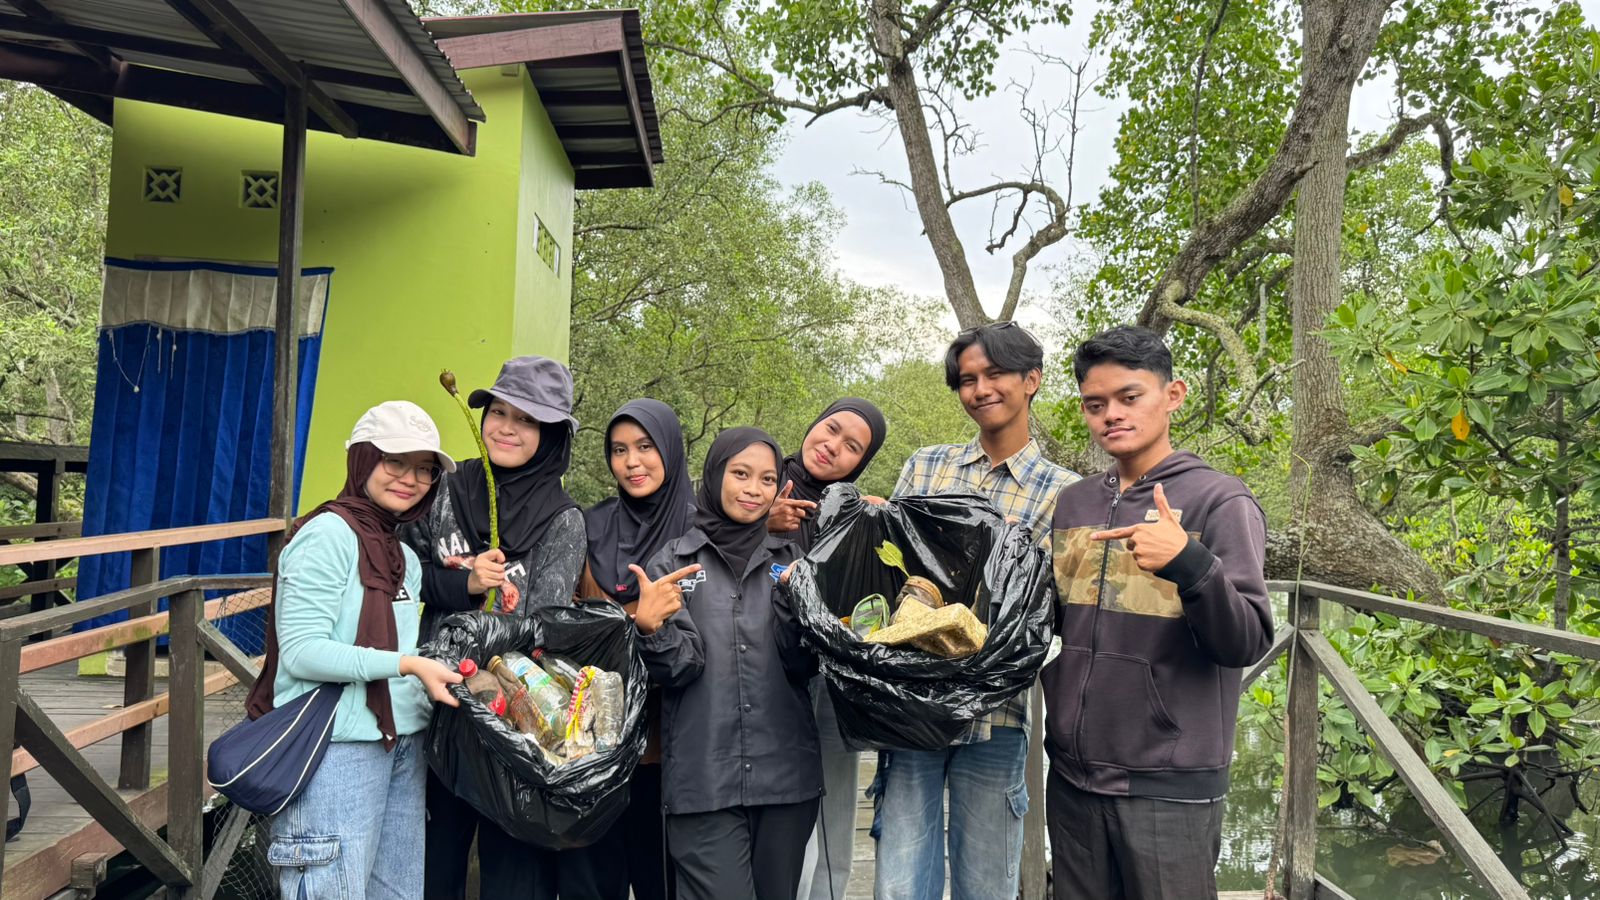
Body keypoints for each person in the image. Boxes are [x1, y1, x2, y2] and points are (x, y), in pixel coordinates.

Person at [1046, 325, 1273, 899]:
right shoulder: (1074, 503)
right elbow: (1054, 622)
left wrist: (1190, 564)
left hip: (1168, 782)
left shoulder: (1219, 500)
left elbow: (1248, 641)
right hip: (1072, 777)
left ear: (1173, 396)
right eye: (1096, 405)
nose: (1111, 416)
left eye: (1130, 397)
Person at [874, 322, 1077, 900]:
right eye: (968, 379)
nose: (980, 389)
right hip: (912, 702)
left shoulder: (1066, 491)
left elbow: (1049, 607)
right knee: (900, 875)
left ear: (1031, 381)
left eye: (995, 375)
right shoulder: (926, 466)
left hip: (1001, 712)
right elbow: (895, 571)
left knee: (988, 878)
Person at [403, 356, 600, 899]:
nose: (507, 427)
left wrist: (488, 625)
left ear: (553, 436)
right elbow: (403, 573)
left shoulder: (562, 520)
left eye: (528, 419)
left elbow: (545, 626)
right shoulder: (443, 490)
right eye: (500, 411)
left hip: (511, 718)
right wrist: (463, 587)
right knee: (432, 856)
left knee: (511, 869)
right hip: (433, 704)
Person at [253, 400, 464, 900]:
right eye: (395, 462)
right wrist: (408, 663)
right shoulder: (326, 536)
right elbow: (302, 651)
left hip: (401, 745)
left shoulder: (405, 557)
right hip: (334, 750)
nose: (410, 479)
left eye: (424, 470)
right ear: (363, 458)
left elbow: (401, 651)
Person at [637, 427, 822, 900]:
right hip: (703, 780)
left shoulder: (795, 562)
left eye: (765, 479)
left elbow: (803, 666)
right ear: (716, 474)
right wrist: (650, 630)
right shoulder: (674, 563)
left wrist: (805, 612)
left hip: (785, 779)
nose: (752, 489)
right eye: (740, 474)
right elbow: (680, 668)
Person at [768, 398, 887, 900]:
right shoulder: (755, 479)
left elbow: (873, 600)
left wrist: (882, 528)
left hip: (830, 681)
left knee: (833, 812)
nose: (832, 446)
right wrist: (762, 522)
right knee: (772, 815)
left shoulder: (853, 513)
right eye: (831, 429)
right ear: (813, 422)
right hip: (763, 676)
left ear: (860, 463)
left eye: (851, 447)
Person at [578, 398, 697, 900]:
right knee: (598, 880)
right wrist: (633, 618)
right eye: (619, 450)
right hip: (596, 741)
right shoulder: (590, 524)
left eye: (646, 447)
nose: (632, 463)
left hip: (674, 742)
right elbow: (567, 621)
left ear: (669, 448)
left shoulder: (702, 529)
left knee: (662, 880)